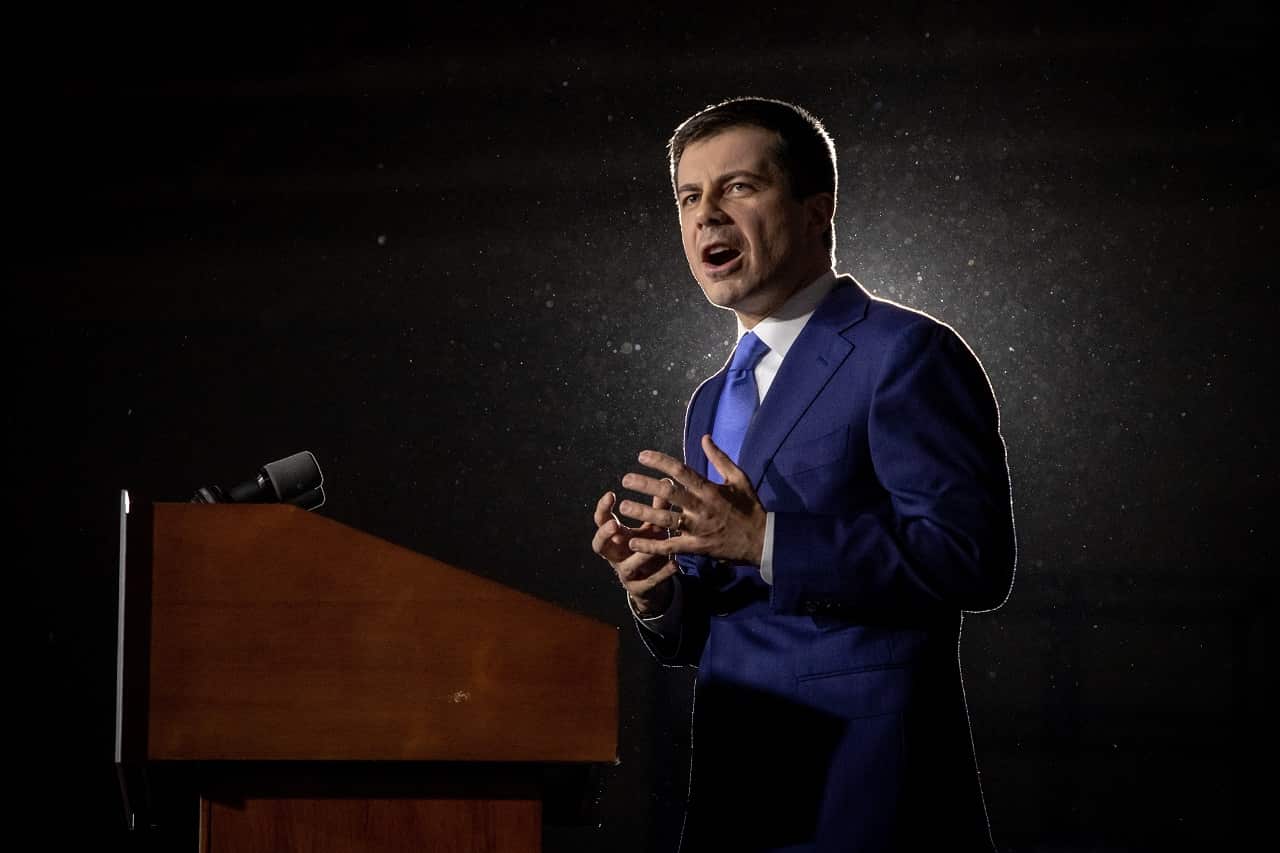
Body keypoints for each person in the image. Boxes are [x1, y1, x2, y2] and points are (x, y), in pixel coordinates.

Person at [591, 97, 1015, 853]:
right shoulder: (709, 398)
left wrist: (765, 540)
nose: (706, 215)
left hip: (867, 794)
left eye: (739, 187)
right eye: (689, 196)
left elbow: (971, 560)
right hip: (737, 797)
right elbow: (716, 624)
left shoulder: (904, 354)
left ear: (818, 210)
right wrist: (656, 590)